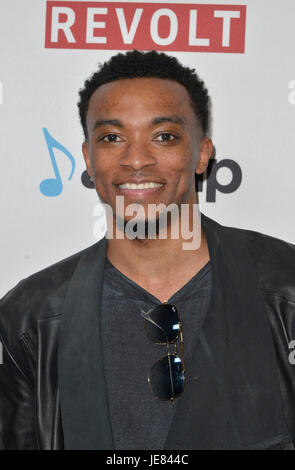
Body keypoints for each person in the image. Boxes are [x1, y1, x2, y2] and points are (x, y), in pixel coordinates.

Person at [0, 50, 294, 450]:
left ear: (202, 153)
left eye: (164, 136)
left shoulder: (286, 288)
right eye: (112, 138)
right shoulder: (30, 318)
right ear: (89, 158)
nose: (136, 159)